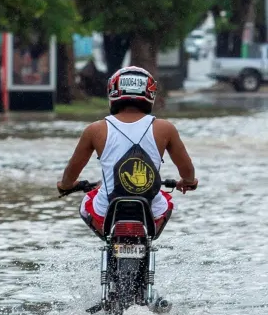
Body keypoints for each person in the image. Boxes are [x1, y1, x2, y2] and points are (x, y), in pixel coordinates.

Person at [56, 66, 199, 239]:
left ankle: (110, 241)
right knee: (164, 203)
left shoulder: (95, 130)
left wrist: (66, 185)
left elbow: (72, 170)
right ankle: (147, 239)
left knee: (87, 202)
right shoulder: (165, 129)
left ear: (113, 92)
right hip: (151, 210)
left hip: (106, 209)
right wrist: (188, 181)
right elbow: (187, 169)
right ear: (150, 94)